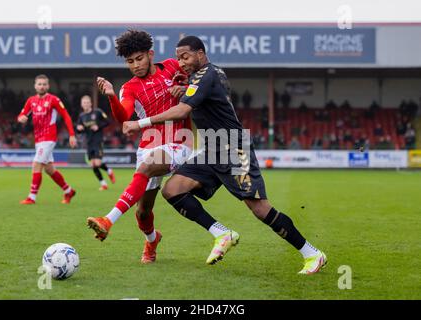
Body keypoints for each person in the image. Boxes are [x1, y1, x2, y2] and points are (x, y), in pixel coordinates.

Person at [123, 35, 327, 274]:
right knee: (172, 189)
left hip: (232, 146)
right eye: (178, 57)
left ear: (200, 53)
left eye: (186, 56)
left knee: (260, 208)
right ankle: (222, 234)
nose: (181, 62)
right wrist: (184, 87)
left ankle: (311, 253)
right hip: (212, 148)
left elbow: (182, 111)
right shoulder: (204, 75)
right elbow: (196, 93)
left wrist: (140, 123)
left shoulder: (206, 74)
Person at [86, 29, 195, 264]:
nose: (135, 65)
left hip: (179, 140)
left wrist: (186, 86)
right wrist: (112, 97)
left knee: (146, 167)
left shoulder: (172, 67)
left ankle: (108, 220)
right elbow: (124, 117)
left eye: (139, 58)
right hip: (149, 145)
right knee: (142, 212)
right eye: (130, 61)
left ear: (150, 54)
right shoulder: (130, 88)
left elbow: (198, 82)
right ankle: (152, 240)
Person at [17, 74, 77, 204]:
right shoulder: (31, 100)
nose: (42, 86)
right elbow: (22, 114)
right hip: (38, 139)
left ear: (48, 86)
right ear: (35, 86)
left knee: (36, 164)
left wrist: (72, 134)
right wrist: (21, 118)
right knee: (49, 169)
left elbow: (66, 116)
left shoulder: (53, 99)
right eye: (39, 84)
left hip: (49, 138)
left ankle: (31, 197)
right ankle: (68, 191)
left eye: (44, 84)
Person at [76, 95, 116, 191]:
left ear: (90, 103)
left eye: (87, 102)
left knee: (97, 163)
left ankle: (109, 171)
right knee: (93, 165)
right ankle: (103, 184)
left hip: (98, 140)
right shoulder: (81, 116)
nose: (85, 104)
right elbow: (79, 129)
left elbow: (108, 121)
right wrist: (79, 129)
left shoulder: (97, 112)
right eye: (84, 103)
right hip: (89, 142)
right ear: (82, 105)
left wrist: (98, 126)